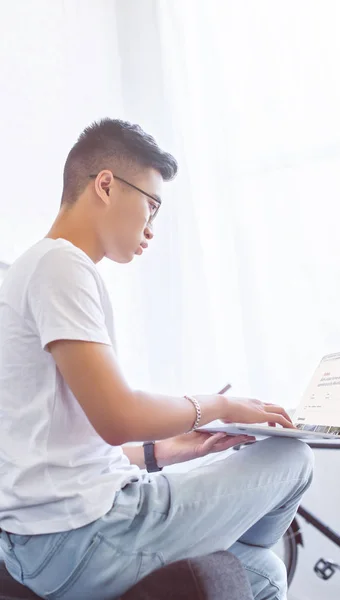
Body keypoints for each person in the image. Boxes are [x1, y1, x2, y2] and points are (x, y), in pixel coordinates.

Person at [0, 118, 313, 600]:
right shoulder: (59, 265)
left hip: (55, 536)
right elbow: (117, 417)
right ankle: (222, 537)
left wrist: (164, 450)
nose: (151, 227)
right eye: (151, 205)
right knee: (291, 457)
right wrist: (223, 406)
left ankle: (222, 542)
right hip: (81, 537)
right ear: (105, 184)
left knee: (266, 574)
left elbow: (58, 452)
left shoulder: (34, 269)